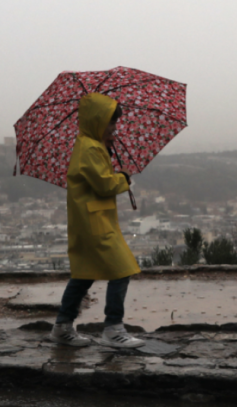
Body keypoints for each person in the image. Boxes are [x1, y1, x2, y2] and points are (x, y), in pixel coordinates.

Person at [49, 92, 144, 348]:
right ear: (97, 121)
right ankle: (114, 328)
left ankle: (62, 326)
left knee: (84, 274)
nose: (115, 127)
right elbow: (103, 185)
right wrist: (123, 178)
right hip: (94, 224)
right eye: (111, 122)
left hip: (89, 220)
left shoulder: (91, 145)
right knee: (122, 269)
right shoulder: (90, 148)